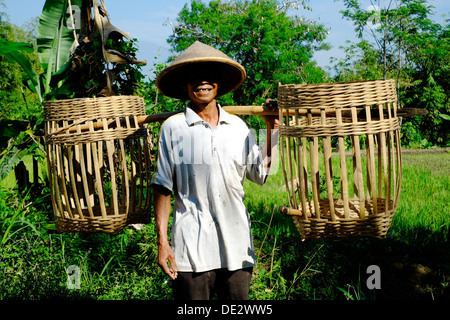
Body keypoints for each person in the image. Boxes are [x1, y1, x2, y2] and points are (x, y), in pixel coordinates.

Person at [152, 41, 279, 300]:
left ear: (218, 84)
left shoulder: (238, 126)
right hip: (191, 249)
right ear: (185, 86)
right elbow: (163, 187)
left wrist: (272, 128)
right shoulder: (173, 128)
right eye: (194, 78)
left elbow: (262, 174)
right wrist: (163, 243)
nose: (202, 83)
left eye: (209, 77)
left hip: (236, 247)